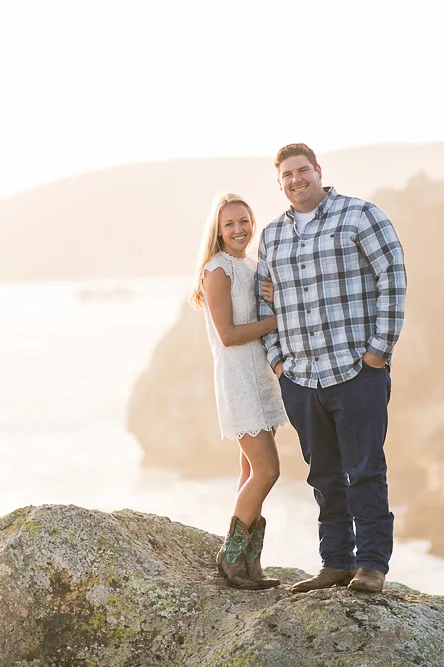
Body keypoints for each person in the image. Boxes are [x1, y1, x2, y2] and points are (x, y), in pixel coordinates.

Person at [256, 143, 407, 594]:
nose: (296, 179)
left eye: (303, 170)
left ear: (318, 171)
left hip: (356, 372)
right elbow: (262, 299)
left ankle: (373, 565)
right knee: (323, 475)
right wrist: (277, 360)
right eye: (287, 174)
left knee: (364, 470)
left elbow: (393, 278)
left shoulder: (361, 216)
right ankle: (336, 562)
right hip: (301, 378)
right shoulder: (271, 236)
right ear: (279, 182)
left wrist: (378, 353)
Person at [189, 192, 289, 590]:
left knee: (250, 471)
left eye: (244, 221)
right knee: (268, 470)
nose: (238, 229)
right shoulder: (217, 270)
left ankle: (249, 564)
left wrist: (273, 299)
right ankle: (230, 557)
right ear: (218, 229)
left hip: (260, 376)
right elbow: (228, 335)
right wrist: (276, 321)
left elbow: (259, 312)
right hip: (238, 379)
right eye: (229, 224)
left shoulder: (249, 266)